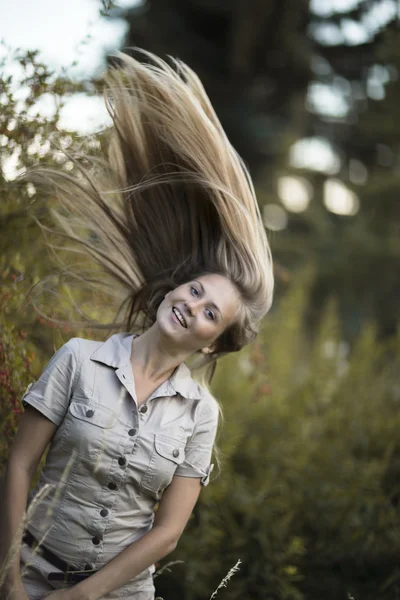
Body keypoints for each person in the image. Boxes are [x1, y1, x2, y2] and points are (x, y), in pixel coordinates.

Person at [0, 51, 274, 600]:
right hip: (26, 573)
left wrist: (81, 597)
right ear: (176, 286)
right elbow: (20, 463)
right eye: (195, 290)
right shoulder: (78, 359)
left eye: (210, 313)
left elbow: (167, 533)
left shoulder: (202, 415)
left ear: (214, 341)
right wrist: (9, 579)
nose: (194, 306)